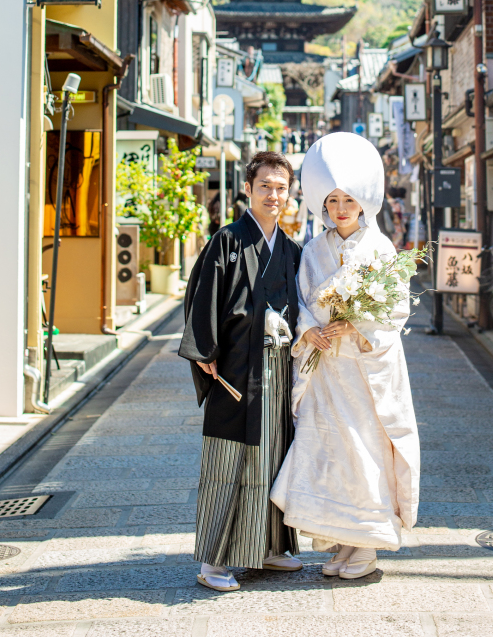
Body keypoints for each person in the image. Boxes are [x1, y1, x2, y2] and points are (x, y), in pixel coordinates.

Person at [270, 132, 419, 580]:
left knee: (363, 451)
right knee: (328, 452)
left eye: (348, 199)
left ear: (364, 201)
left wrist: (354, 324)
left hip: (364, 371)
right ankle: (341, 543)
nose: (340, 208)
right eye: (332, 200)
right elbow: (299, 302)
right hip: (326, 370)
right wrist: (310, 330)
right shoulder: (314, 250)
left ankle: (367, 546)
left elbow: (396, 306)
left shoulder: (380, 248)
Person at [179, 150, 303, 592]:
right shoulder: (227, 241)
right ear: (247, 189)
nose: (274, 194)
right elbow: (202, 297)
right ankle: (214, 561)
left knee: (272, 456)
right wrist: (204, 351)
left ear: (291, 194)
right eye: (265, 186)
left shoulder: (290, 249)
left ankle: (267, 547)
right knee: (229, 462)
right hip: (235, 369)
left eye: (282, 187)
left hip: (278, 371)